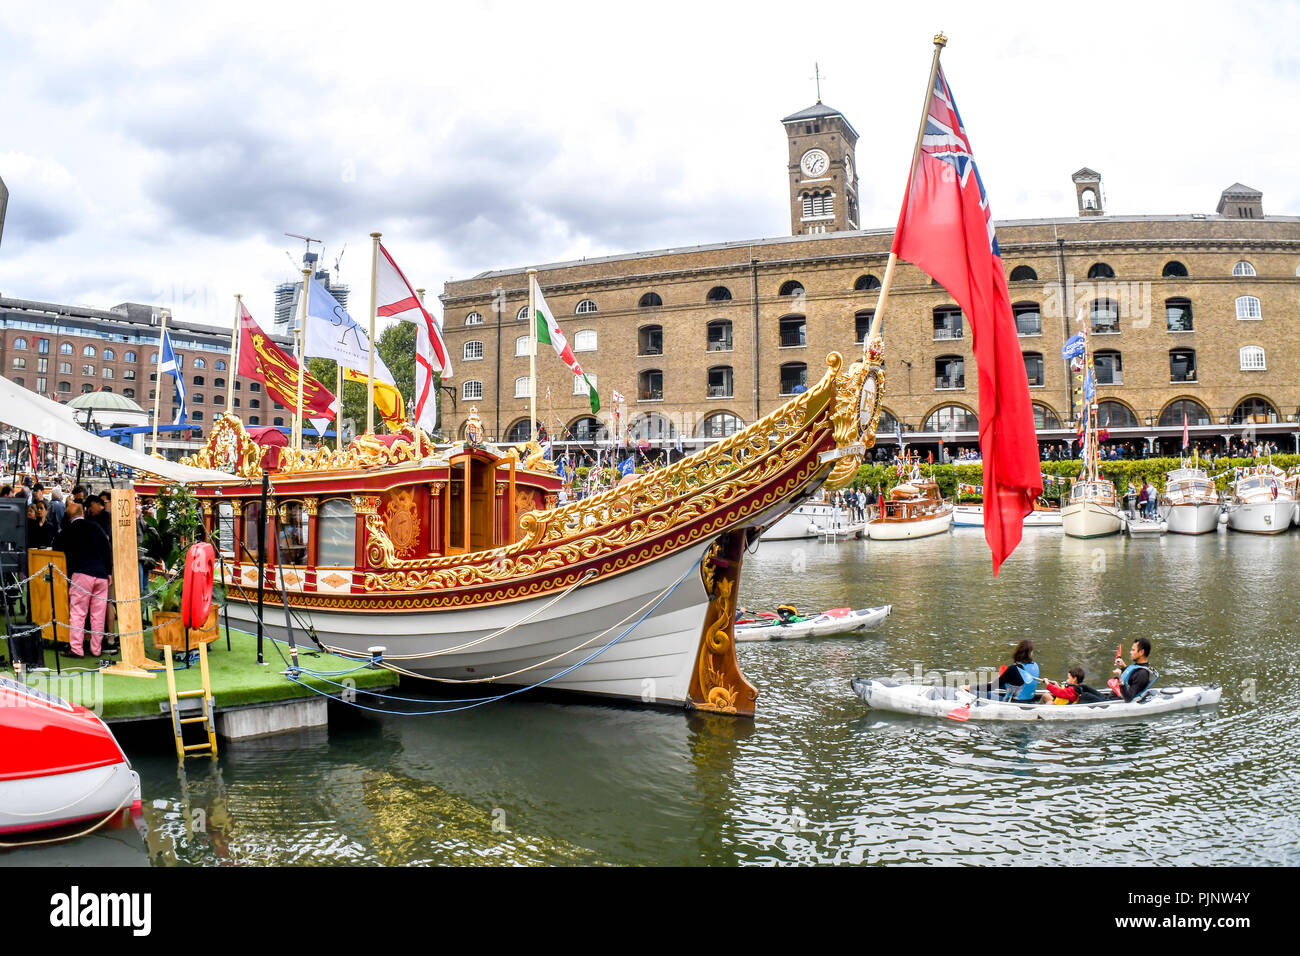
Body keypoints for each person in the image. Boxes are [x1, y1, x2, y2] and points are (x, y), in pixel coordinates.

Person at [56, 499, 112, 658]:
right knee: (98, 614)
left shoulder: (66, 531)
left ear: (68, 517)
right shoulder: (96, 526)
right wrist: (108, 571)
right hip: (101, 575)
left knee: (78, 613)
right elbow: (107, 548)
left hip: (81, 574)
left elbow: (57, 549)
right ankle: (96, 649)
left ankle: (76, 648)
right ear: (82, 512)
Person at [963, 640, 1040, 702]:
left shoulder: (1013, 668)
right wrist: (999, 683)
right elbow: (1019, 682)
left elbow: (992, 687)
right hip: (1029, 699)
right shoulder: (1035, 665)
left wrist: (970, 687)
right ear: (1030, 653)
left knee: (981, 692)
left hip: (1014, 703)